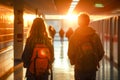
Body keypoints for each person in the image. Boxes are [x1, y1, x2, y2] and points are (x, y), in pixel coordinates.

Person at [67, 13, 104, 80]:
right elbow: (101, 52)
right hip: (92, 68)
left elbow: (70, 53)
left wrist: (75, 62)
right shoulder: (95, 36)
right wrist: (94, 60)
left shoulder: (74, 36)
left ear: (78, 22)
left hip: (79, 68)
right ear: (88, 22)